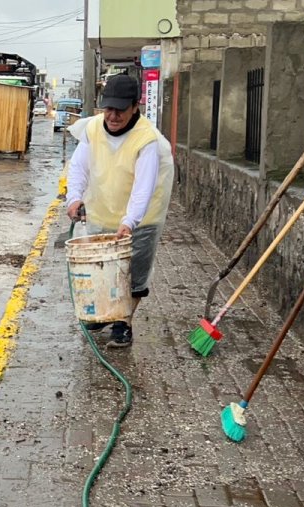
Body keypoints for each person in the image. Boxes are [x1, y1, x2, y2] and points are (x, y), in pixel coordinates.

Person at [64, 73, 174, 348]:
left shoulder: (147, 139)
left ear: (135, 106)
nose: (112, 116)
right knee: (104, 268)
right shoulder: (92, 129)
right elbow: (79, 166)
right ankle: (104, 315)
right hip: (103, 208)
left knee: (133, 274)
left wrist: (131, 221)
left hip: (142, 215)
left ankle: (123, 324)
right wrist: (74, 197)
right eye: (108, 108)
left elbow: (144, 185)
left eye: (120, 110)